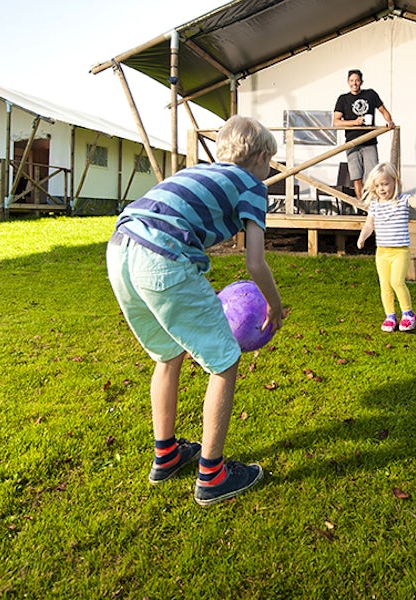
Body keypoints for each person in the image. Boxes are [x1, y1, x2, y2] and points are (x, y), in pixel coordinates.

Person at [106, 115, 284, 506]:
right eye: (269, 161)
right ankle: (213, 475)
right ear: (258, 157)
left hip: (120, 248)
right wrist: (275, 304)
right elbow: (255, 262)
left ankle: (166, 455)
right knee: (224, 361)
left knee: (168, 354)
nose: (269, 170)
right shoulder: (252, 184)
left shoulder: (199, 172)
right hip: (162, 257)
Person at [356, 162, 416, 332]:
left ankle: (408, 314)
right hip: (382, 252)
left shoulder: (403, 200)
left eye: (385, 184)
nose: (381, 189)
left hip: (400, 251)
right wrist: (362, 237)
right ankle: (390, 316)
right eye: (377, 186)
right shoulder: (375, 205)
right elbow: (369, 224)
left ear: (395, 182)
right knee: (385, 285)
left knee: (397, 282)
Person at [333, 69, 395, 202]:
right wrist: (355, 122)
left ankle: (372, 205)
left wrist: (389, 121)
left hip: (369, 142)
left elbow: (383, 111)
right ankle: (362, 207)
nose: (354, 83)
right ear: (348, 82)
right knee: (356, 177)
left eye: (357, 80)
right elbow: (336, 122)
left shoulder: (370, 94)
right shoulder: (343, 99)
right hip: (352, 142)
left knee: (373, 175)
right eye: (351, 80)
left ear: (361, 82)